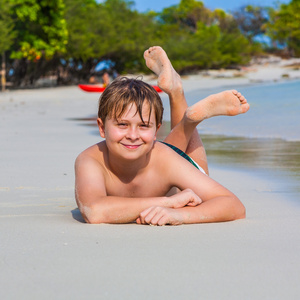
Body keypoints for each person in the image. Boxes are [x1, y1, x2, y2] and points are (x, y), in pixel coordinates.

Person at [75, 46, 250, 226]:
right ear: (102, 128)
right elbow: (94, 212)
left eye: (143, 126)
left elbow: (234, 206)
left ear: (156, 130)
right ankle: (182, 107)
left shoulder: (165, 159)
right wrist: (169, 203)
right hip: (164, 171)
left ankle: (184, 111)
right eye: (122, 124)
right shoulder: (90, 160)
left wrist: (179, 216)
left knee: (193, 168)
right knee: (160, 152)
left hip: (166, 160)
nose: (133, 135)